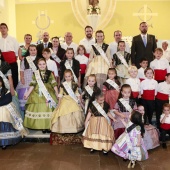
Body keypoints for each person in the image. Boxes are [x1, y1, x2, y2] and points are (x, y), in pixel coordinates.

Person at [24, 58, 58, 133]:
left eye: (43, 64)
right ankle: (42, 126)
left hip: (48, 92)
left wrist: (57, 93)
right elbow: (32, 84)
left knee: (48, 108)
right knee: (41, 108)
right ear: (37, 65)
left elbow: (54, 84)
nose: (42, 66)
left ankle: (48, 126)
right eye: (40, 64)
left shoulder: (50, 73)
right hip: (37, 93)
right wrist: (27, 93)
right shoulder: (35, 73)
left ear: (46, 64)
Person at [0, 77, 27, 149]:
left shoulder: (6, 91)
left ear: (2, 82)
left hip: (6, 108)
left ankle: (5, 142)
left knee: (5, 116)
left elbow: (7, 100)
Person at [16, 44, 40, 114]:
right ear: (28, 51)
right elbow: (21, 70)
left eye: (34, 50)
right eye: (31, 50)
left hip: (35, 79)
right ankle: (25, 112)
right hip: (25, 78)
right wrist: (22, 78)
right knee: (22, 94)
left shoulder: (39, 59)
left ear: (36, 51)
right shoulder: (25, 59)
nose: (33, 51)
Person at [0, 23, 20, 89]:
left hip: (12, 61)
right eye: (1, 28)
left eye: (4, 28)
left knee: (14, 78)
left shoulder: (13, 39)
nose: (3, 29)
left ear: (7, 29)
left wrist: (15, 58)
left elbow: (17, 49)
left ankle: (15, 96)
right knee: (4, 79)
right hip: (3, 63)